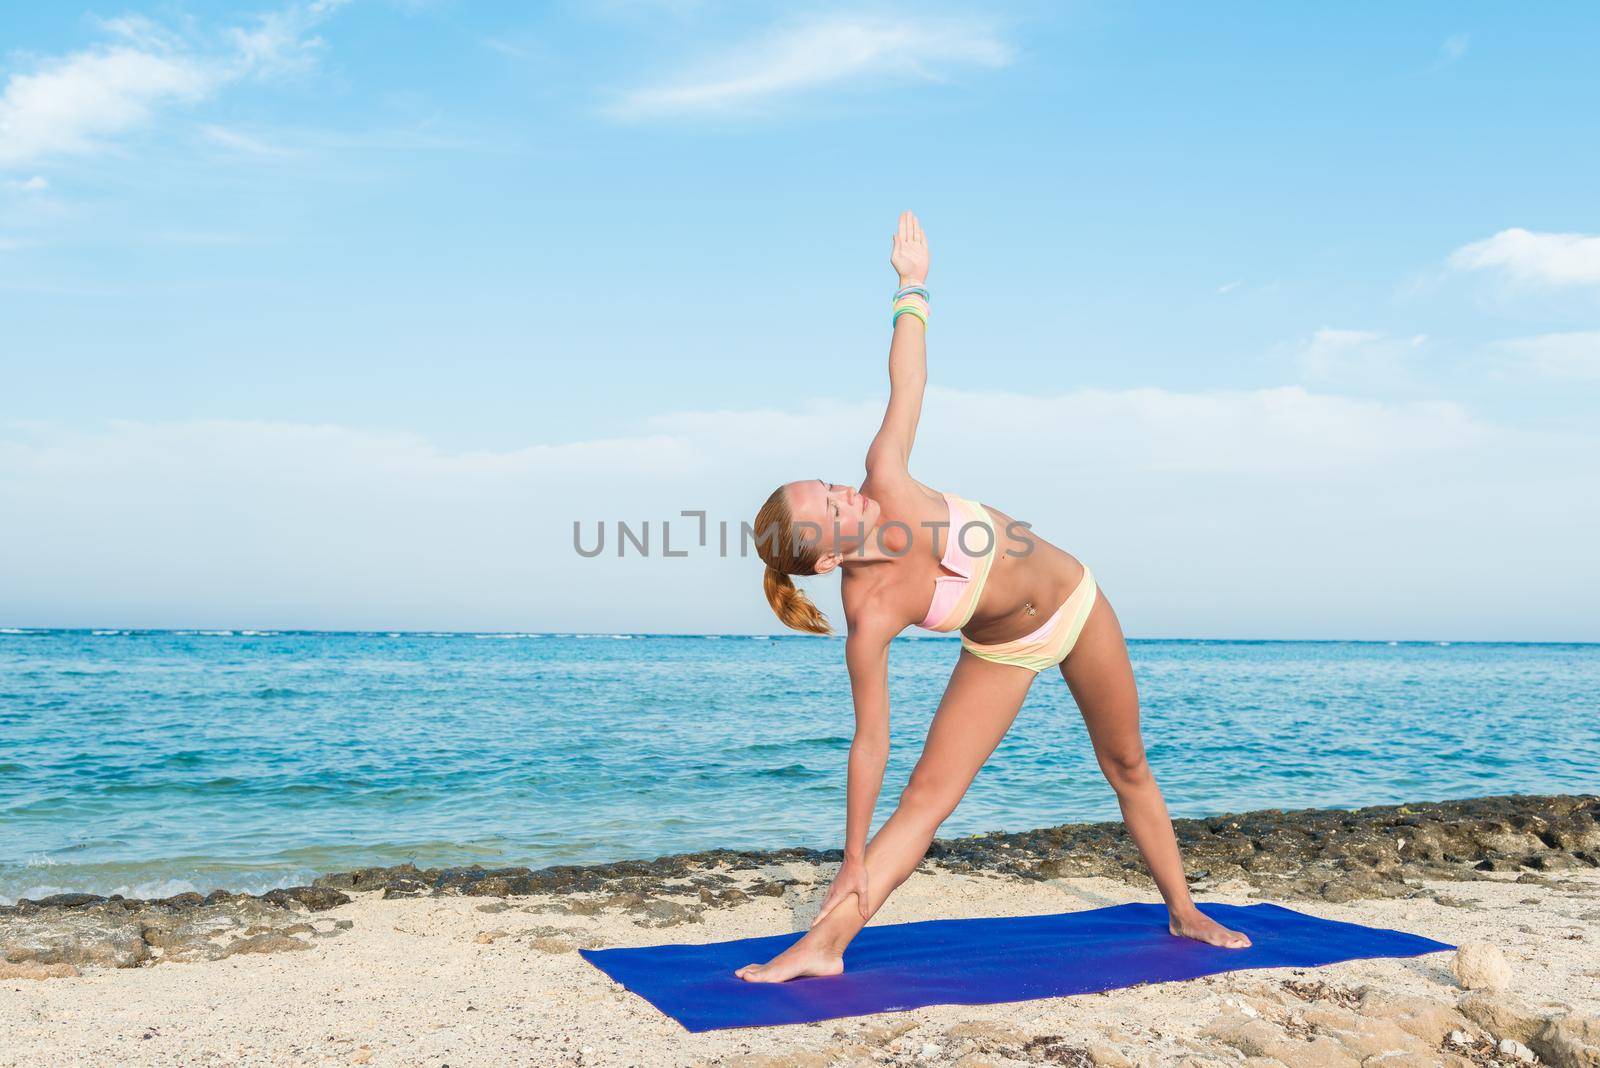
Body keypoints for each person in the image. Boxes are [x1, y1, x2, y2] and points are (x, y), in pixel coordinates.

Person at [737, 211, 1249, 983]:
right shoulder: (868, 617)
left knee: (1127, 763)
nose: (847, 490)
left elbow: (907, 378)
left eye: (829, 484)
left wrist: (911, 287)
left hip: (1076, 604)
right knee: (925, 798)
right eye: (832, 506)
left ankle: (1181, 905)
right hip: (1003, 648)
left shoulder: (887, 475)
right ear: (827, 557)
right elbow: (870, 742)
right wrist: (849, 854)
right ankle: (824, 944)